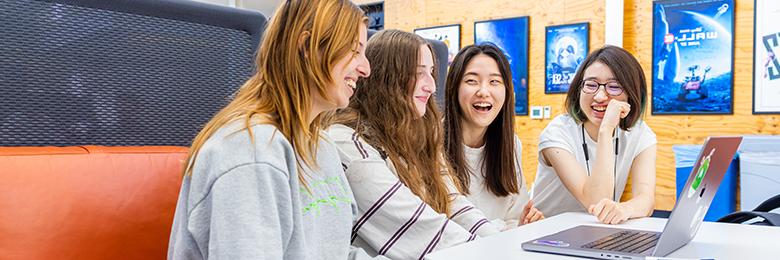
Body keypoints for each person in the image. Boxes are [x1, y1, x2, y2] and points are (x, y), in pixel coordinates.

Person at [167, 1, 382, 259]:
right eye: (354, 51)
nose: (366, 68)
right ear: (306, 47)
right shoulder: (249, 151)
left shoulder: (320, 145)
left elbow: (334, 252)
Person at [327, 30, 502, 260]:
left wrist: (501, 244)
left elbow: (453, 202)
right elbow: (418, 226)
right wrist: (492, 253)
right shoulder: (347, 142)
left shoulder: (419, 135)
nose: (431, 86)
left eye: (431, 73)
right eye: (419, 74)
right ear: (386, 77)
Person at [532, 45, 657, 225]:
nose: (599, 96)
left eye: (614, 87)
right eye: (591, 85)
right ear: (578, 89)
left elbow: (646, 199)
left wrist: (625, 209)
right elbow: (594, 200)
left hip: (597, 233)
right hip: (545, 231)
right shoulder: (557, 132)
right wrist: (606, 131)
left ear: (632, 93)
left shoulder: (640, 133)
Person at [443, 44, 544, 229]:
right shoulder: (432, 143)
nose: (483, 91)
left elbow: (515, 216)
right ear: (454, 87)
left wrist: (524, 223)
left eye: (494, 81)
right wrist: (504, 228)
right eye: (472, 81)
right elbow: (450, 225)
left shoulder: (511, 144)